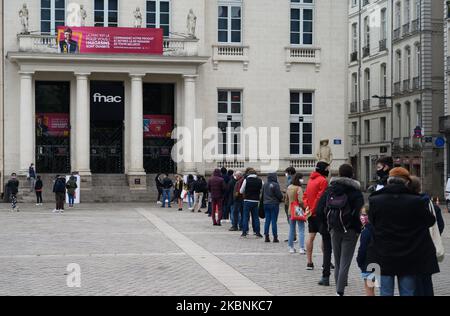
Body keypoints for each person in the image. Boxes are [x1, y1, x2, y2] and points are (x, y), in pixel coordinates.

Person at [367, 167, 440, 296]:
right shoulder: (416, 201)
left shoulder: (375, 200)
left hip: (383, 254)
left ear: (389, 181)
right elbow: (430, 221)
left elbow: (372, 222)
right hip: (409, 254)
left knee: (385, 292)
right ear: (407, 182)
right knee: (408, 292)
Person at [319, 164, 364, 296]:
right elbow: (360, 213)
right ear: (352, 174)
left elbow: (319, 209)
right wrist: (358, 228)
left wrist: (327, 225)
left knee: (338, 259)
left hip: (334, 228)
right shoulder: (356, 192)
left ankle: (339, 287)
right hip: (350, 230)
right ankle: (340, 290)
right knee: (345, 260)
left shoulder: (330, 189)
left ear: (339, 173)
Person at [408, 177, 445, 296]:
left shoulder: (408, 204)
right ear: (419, 188)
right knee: (427, 281)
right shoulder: (432, 205)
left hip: (411, 249)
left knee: (415, 282)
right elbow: (440, 225)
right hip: (428, 248)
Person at [303, 161, 329, 270]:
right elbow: (320, 198)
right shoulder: (323, 180)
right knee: (324, 237)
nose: (328, 170)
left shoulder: (310, 179)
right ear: (323, 169)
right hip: (320, 213)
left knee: (311, 236)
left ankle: (309, 262)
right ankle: (326, 261)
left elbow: (305, 196)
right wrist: (314, 210)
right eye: (327, 169)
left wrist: (307, 208)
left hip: (311, 213)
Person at [356, 206, 375, 296]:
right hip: (376, 264)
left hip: (368, 264)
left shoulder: (366, 232)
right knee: (372, 288)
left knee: (369, 289)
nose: (362, 217)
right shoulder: (378, 229)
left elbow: (362, 249)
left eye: (364, 214)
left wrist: (359, 261)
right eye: (361, 214)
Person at [240, 168, 263, 238]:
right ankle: (257, 232)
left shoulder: (246, 180)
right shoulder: (260, 180)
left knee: (245, 217)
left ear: (248, 174)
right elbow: (263, 189)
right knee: (256, 217)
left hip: (247, 200)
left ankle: (244, 232)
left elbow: (241, 191)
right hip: (256, 201)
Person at [286, 173, 306, 253]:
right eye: (301, 178)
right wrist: (304, 208)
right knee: (301, 229)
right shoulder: (299, 188)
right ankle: (301, 248)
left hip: (290, 210)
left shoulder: (289, 187)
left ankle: (291, 247)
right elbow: (301, 200)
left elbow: (286, 200)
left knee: (291, 229)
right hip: (298, 210)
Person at [263, 173, 284, 243]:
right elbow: (279, 195)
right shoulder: (275, 184)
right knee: (274, 221)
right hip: (274, 204)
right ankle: (275, 237)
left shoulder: (265, 184)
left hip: (266, 204)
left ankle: (266, 236)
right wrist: (281, 198)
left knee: (267, 221)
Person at [284, 167, 297, 242]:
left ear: (289, 172)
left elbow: (291, 190)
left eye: (286, 172)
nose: (285, 174)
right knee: (291, 220)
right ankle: (293, 236)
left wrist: (285, 191)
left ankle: (293, 237)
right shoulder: (294, 179)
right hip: (292, 202)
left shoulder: (291, 180)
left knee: (291, 220)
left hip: (290, 203)